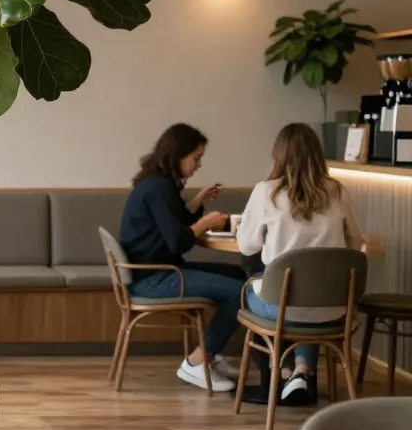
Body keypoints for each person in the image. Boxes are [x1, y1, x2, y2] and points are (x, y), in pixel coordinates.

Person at [236, 123, 364, 406]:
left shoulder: (266, 192)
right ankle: (302, 372)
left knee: (251, 290)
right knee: (308, 297)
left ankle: (283, 373)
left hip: (283, 309)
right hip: (334, 309)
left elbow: (246, 246)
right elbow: (356, 244)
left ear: (278, 156)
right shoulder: (338, 192)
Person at [120, 123, 246, 392]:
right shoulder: (158, 189)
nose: (199, 165)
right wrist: (206, 222)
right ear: (177, 155)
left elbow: (173, 225)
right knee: (240, 291)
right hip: (155, 277)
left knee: (238, 275)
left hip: (156, 270)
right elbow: (178, 241)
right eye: (196, 158)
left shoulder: (156, 185)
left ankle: (210, 353)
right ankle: (197, 362)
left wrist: (198, 201)